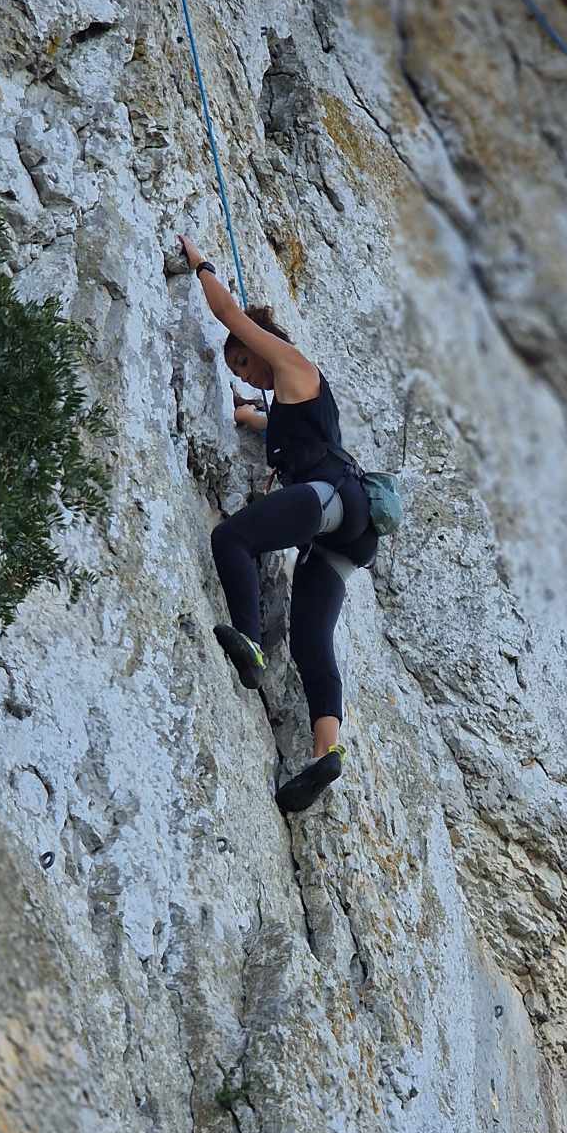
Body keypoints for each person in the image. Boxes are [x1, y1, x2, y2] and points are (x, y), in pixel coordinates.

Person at [178, 234, 377, 815]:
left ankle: (248, 639)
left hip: (330, 501)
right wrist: (247, 414)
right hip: (350, 531)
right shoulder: (293, 397)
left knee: (232, 538)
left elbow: (228, 314)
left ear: (261, 345)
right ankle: (326, 752)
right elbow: (275, 424)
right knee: (312, 639)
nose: (245, 373)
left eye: (242, 360)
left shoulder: (294, 364)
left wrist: (202, 266)